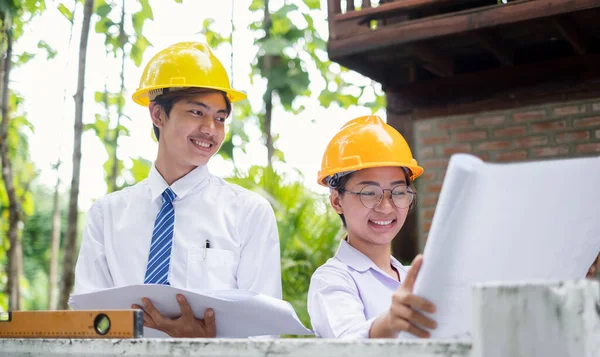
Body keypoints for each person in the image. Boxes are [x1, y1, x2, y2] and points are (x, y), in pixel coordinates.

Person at [73, 42, 282, 337]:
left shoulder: (249, 213)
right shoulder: (106, 215)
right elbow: (88, 321)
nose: (211, 128)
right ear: (158, 115)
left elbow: (265, 330)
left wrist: (203, 346)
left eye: (220, 118)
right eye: (197, 112)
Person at [307, 115, 437, 339]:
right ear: (337, 201)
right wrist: (388, 324)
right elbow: (346, 341)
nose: (386, 207)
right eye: (369, 193)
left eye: (398, 193)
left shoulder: (414, 278)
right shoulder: (331, 279)